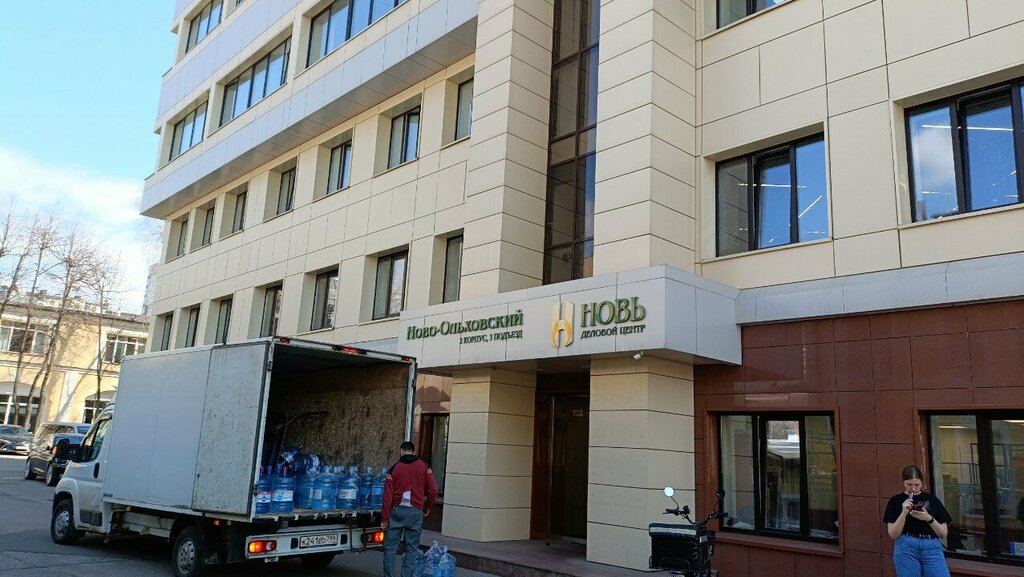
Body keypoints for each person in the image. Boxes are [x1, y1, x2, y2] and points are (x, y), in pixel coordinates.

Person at [883, 465, 953, 577]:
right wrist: (903, 514)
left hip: (931, 547)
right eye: (909, 485)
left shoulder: (932, 499)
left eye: (917, 485)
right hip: (906, 546)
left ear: (922, 483)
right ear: (903, 482)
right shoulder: (895, 501)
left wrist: (929, 518)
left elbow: (943, 534)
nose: (913, 488)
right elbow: (893, 534)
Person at [382, 441, 438, 577]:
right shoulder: (424, 466)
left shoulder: (394, 469)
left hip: (397, 512)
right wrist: (427, 507)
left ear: (401, 451)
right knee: (412, 548)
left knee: (390, 548)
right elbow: (434, 490)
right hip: (415, 511)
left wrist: (384, 518)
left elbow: (387, 497)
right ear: (414, 451)